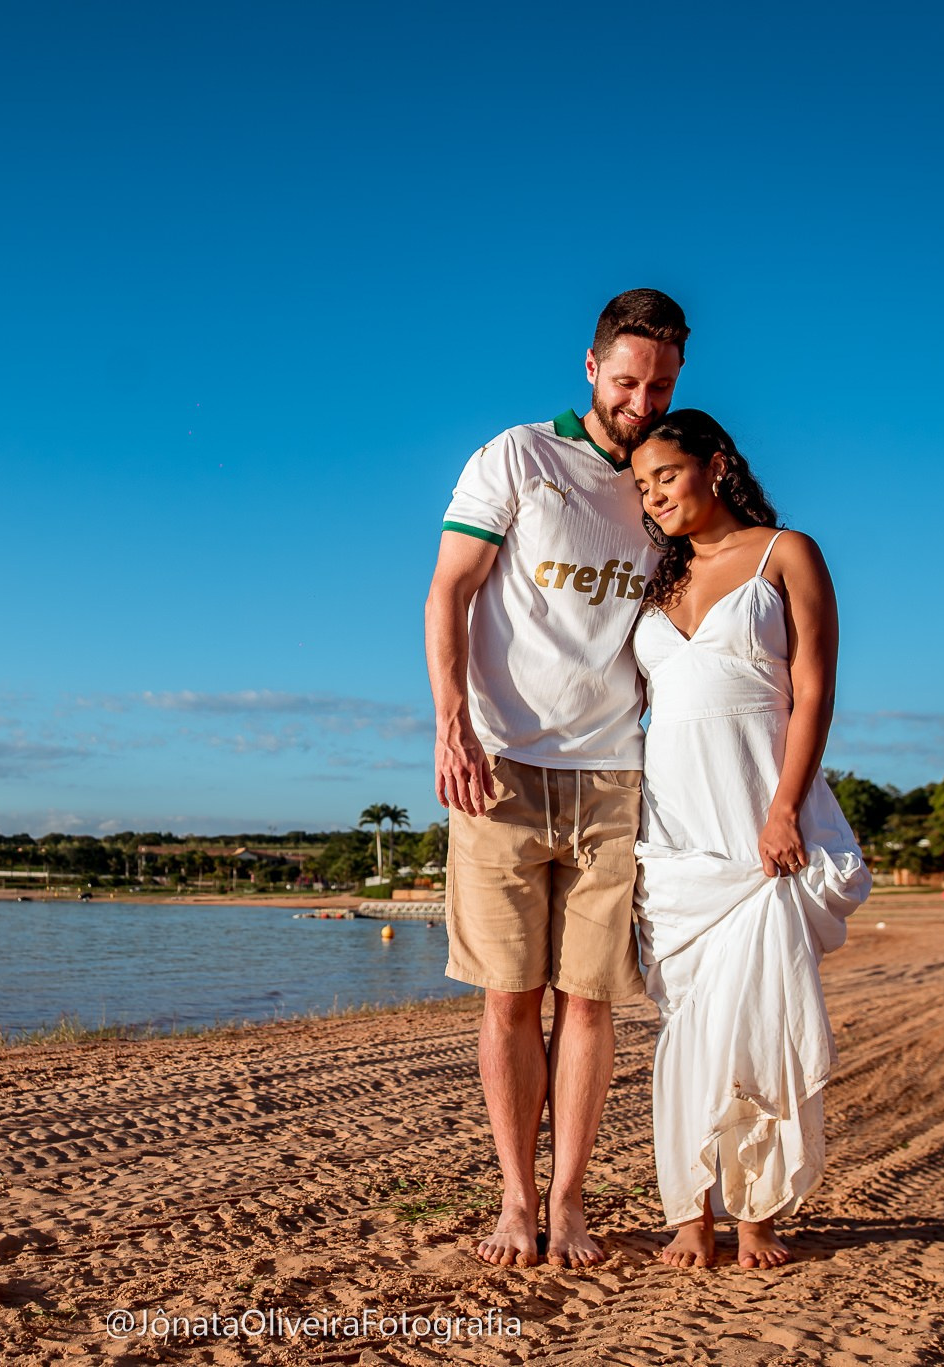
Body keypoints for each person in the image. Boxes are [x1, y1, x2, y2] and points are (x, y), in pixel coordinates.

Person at [424, 288, 689, 1268]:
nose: (640, 398)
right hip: (498, 763)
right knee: (507, 994)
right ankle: (514, 1198)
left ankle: (570, 1199)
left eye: (658, 382)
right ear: (589, 368)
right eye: (625, 379)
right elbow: (448, 590)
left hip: (612, 772)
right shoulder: (517, 457)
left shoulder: (663, 485)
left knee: (587, 999)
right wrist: (451, 724)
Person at [626, 409, 871, 1270]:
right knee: (686, 1021)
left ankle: (757, 1211)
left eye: (667, 476)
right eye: (643, 487)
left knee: (756, 1021)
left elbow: (814, 694)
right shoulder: (652, 582)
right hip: (673, 824)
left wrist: (783, 809)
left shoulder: (786, 553)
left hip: (757, 819)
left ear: (716, 464)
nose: (654, 497)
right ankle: (690, 1211)